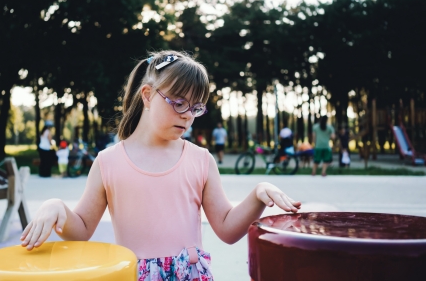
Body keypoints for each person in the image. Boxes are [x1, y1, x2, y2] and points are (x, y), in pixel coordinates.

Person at [20, 51, 301, 280]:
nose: (188, 116)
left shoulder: (201, 160)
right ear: (146, 95)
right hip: (132, 276)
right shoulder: (108, 162)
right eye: (178, 103)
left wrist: (258, 194)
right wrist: (56, 206)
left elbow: (227, 230)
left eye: (196, 107)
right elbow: (80, 230)